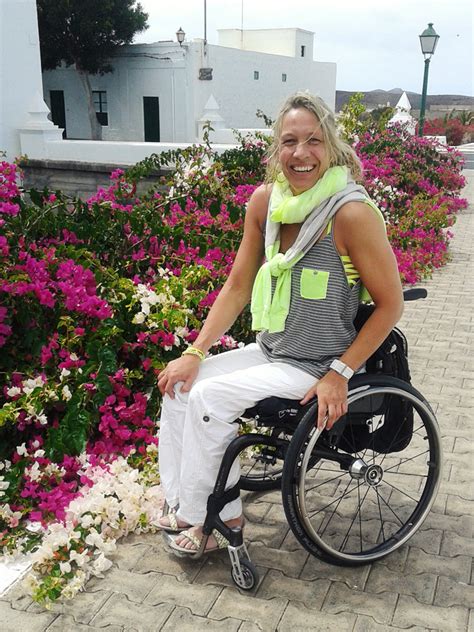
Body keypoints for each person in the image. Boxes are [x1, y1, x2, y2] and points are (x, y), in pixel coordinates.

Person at [156, 92, 404, 555]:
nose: (300, 153)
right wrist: (194, 352)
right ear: (277, 147)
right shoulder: (265, 202)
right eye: (290, 141)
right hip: (273, 351)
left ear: (332, 146)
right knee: (179, 385)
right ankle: (184, 504)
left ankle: (222, 519)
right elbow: (237, 286)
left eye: (314, 140)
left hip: (317, 363)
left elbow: (390, 306)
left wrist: (340, 373)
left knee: (209, 398)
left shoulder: (350, 214)